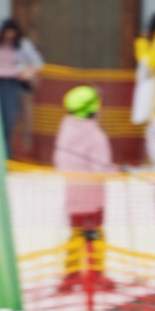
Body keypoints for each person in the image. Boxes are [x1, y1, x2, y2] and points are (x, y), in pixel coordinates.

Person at [52, 84, 116, 278]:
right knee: (94, 235)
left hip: (73, 198)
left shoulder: (65, 130)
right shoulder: (96, 136)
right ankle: (96, 274)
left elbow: (60, 162)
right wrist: (114, 171)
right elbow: (100, 169)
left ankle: (71, 273)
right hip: (93, 200)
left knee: (76, 234)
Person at [0, 19, 43, 160]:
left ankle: (6, 152)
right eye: (7, 33)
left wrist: (28, 73)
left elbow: (38, 63)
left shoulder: (23, 45)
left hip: (12, 83)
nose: (9, 36)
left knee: (9, 118)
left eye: (12, 33)